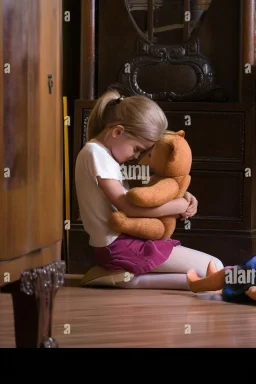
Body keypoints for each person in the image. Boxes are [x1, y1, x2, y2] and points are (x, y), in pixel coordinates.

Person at [75, 89, 224, 290]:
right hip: (120, 246)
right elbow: (129, 208)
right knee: (213, 267)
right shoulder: (96, 155)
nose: (137, 156)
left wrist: (180, 193)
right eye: (137, 148)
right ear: (117, 132)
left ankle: (119, 276)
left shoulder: (102, 154)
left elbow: (144, 195)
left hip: (120, 244)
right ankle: (119, 276)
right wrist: (177, 206)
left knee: (209, 274)